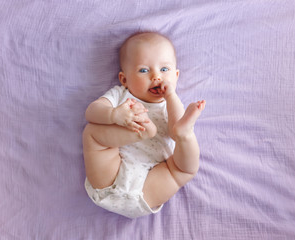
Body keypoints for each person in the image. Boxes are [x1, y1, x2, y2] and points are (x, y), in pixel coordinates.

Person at [82, 32, 206, 218]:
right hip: (111, 174)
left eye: (164, 70)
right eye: (143, 70)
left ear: (176, 75)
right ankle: (140, 133)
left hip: (151, 183)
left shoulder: (171, 104)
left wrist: (171, 97)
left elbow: (173, 131)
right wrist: (113, 114)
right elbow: (91, 112)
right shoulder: (121, 96)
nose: (156, 76)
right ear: (124, 79)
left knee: (183, 169)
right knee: (92, 132)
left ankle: (185, 133)